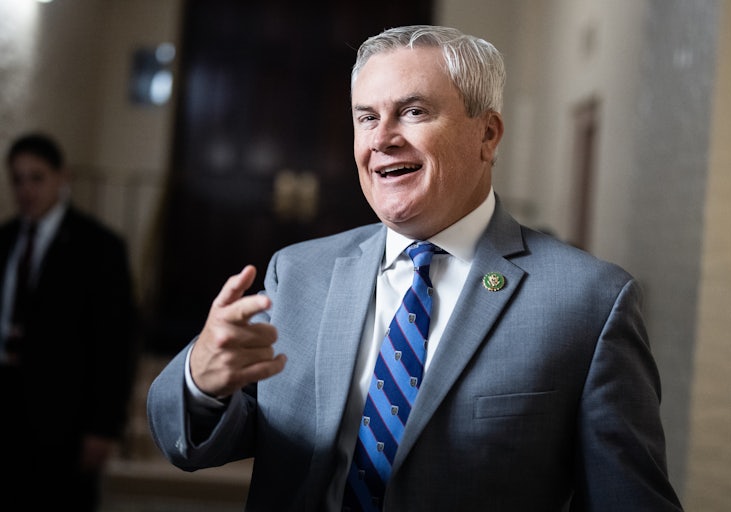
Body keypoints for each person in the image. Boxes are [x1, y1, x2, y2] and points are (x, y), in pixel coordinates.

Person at [147, 25, 684, 511]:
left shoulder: (588, 302)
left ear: (488, 135)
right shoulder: (299, 275)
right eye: (366, 117)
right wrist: (203, 383)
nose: (382, 139)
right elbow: (200, 440)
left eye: (414, 112)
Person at [0, 132, 139, 511]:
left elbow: (116, 341)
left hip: (65, 417)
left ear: (63, 177)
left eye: (36, 177)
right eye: (18, 178)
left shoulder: (99, 246)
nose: (26, 189)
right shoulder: (6, 238)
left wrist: (104, 426)